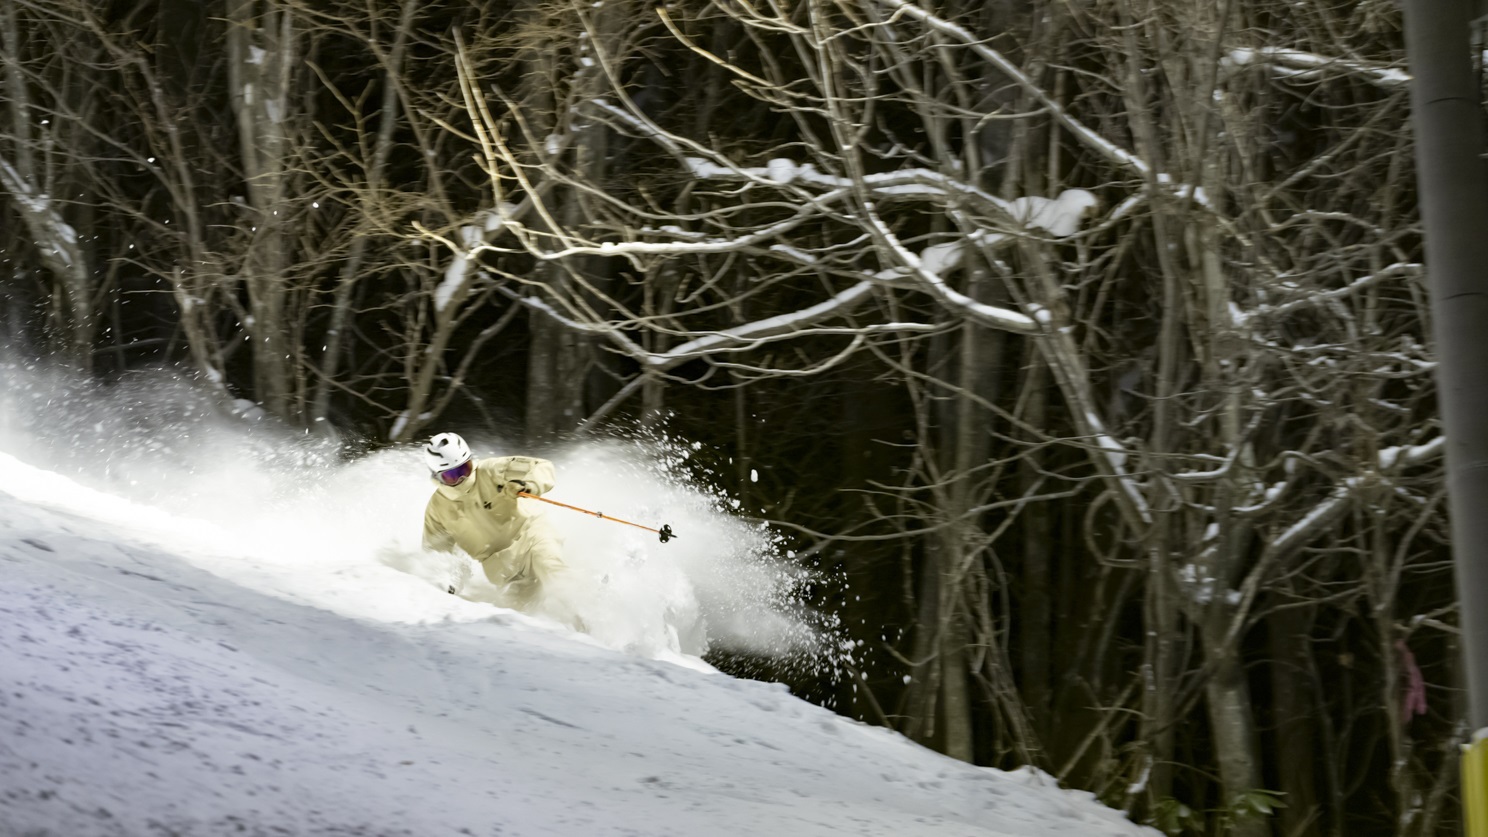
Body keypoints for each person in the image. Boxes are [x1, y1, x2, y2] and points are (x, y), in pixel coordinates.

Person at [421, 432, 566, 611]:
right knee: (522, 614)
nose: (461, 479)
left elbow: (541, 467)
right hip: (505, 569)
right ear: (437, 477)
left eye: (464, 469)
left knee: (551, 569)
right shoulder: (438, 508)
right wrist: (447, 582)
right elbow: (435, 553)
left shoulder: (490, 470)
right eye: (451, 475)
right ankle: (564, 632)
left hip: (531, 535)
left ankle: (588, 608)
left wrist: (527, 485)